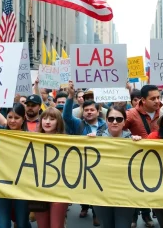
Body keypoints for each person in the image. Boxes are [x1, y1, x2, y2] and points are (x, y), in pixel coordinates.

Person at [88, 106, 141, 228]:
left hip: (126, 192)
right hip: (101, 191)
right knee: (107, 225)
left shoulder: (133, 141)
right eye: (111, 119)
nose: (115, 122)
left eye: (118, 119)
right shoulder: (96, 138)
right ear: (106, 120)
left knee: (123, 225)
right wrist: (89, 142)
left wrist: (139, 143)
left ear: (124, 121)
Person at [63, 82, 103, 226]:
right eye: (86, 110)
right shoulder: (78, 124)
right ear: (82, 111)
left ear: (98, 112)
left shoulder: (106, 125)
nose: (89, 112)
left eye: (92, 109)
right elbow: (66, 116)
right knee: (84, 189)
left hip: (100, 164)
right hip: (82, 164)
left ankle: (96, 213)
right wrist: (70, 96)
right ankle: (84, 207)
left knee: (97, 190)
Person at [125, 85, 161, 228]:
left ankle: (147, 215)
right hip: (138, 160)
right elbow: (116, 128)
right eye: (153, 98)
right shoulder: (131, 114)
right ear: (143, 100)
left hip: (159, 160)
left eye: (158, 97)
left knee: (154, 188)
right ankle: (134, 215)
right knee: (137, 188)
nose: (157, 101)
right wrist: (129, 138)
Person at [35, 107, 68, 228]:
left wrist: (91, 138)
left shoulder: (67, 141)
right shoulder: (31, 139)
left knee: (56, 226)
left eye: (52, 119)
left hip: (60, 189)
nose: (47, 122)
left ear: (58, 122)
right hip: (38, 189)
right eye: (44, 118)